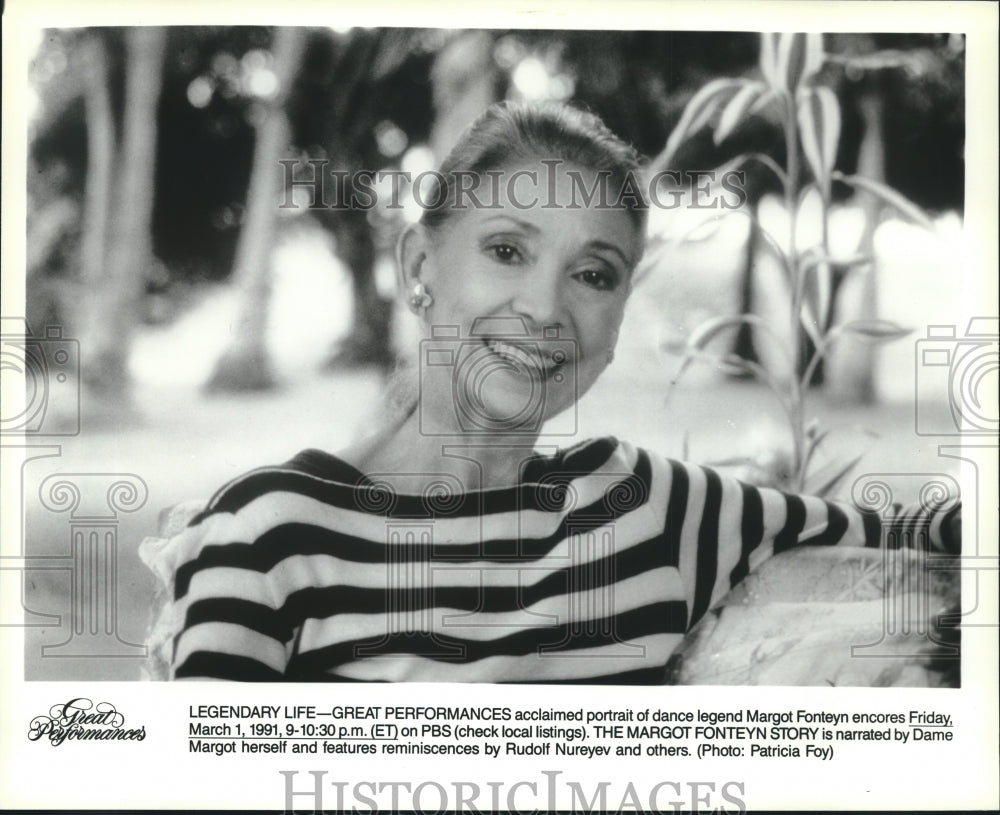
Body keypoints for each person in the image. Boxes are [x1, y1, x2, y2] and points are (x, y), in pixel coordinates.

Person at [152, 100, 960, 683]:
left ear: (616, 316)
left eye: (592, 274)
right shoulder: (269, 536)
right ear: (419, 268)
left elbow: (916, 529)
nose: (544, 308)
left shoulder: (645, 507)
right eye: (507, 250)